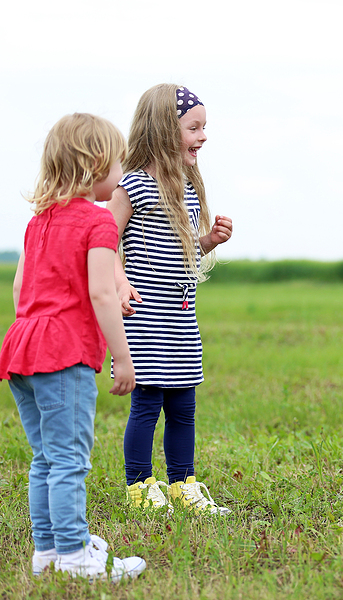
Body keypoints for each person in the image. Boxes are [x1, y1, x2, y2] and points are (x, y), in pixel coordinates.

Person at [0, 113, 147, 580]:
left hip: (23, 347)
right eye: (118, 164)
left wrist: (93, 296)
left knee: (45, 458)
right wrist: (121, 358)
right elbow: (102, 293)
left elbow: (25, 287)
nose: (120, 175)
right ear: (96, 163)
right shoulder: (99, 222)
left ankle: (48, 554)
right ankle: (76, 556)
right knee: (69, 460)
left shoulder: (38, 221)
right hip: (64, 354)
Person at [107, 84, 233, 515]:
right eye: (193, 127)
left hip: (180, 318)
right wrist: (120, 282)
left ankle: (184, 484)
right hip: (142, 317)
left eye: (204, 128)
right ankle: (140, 485)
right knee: (147, 405)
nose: (202, 136)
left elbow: (181, 253)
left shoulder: (188, 190)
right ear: (163, 129)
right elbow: (104, 242)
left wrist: (209, 241)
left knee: (184, 405)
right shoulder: (133, 186)